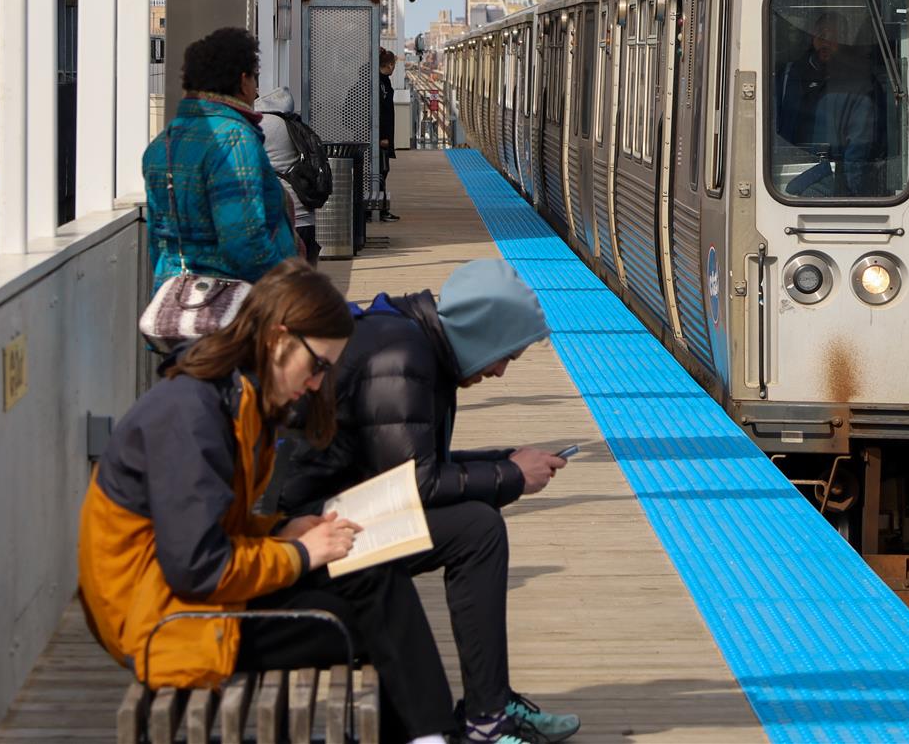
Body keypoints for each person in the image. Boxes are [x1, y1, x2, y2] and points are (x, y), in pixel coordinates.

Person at [77, 260, 496, 744]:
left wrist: (279, 532)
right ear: (278, 338)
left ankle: (429, 735)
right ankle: (429, 734)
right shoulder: (190, 416)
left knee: (369, 571)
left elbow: (208, 527)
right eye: (318, 364)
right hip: (165, 622)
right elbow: (197, 566)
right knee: (363, 617)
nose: (318, 383)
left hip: (190, 600)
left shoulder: (231, 397)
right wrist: (301, 554)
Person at [279, 259, 579, 744]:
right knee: (476, 531)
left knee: (475, 524)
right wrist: (510, 475)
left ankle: (491, 708)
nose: (501, 372)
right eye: (504, 355)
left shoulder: (414, 344)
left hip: (334, 506)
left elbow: (411, 465)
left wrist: (507, 460)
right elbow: (415, 484)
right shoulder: (400, 362)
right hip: (309, 529)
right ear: (481, 333)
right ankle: (488, 714)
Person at [142, 28, 297, 290]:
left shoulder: (162, 144)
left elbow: (158, 240)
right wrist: (290, 286)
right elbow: (243, 242)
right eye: (255, 78)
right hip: (233, 307)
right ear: (242, 80)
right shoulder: (234, 140)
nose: (257, 88)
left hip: (176, 299)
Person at [773, 13, 883, 197]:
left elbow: (859, 147)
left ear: (845, 40)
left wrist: (853, 193)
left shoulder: (861, 84)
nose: (825, 41)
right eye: (820, 34)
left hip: (835, 178)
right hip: (781, 173)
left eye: (833, 36)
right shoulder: (787, 77)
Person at [255, 88, 319, 265]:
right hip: (305, 215)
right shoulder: (292, 124)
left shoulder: (261, 125)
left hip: (282, 219)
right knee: (306, 283)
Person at [378, 48, 400, 222]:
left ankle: (377, 209)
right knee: (381, 172)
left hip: (381, 137)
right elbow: (380, 113)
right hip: (381, 139)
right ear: (390, 65)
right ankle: (382, 210)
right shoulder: (380, 84)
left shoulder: (381, 82)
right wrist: (382, 137)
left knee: (381, 172)